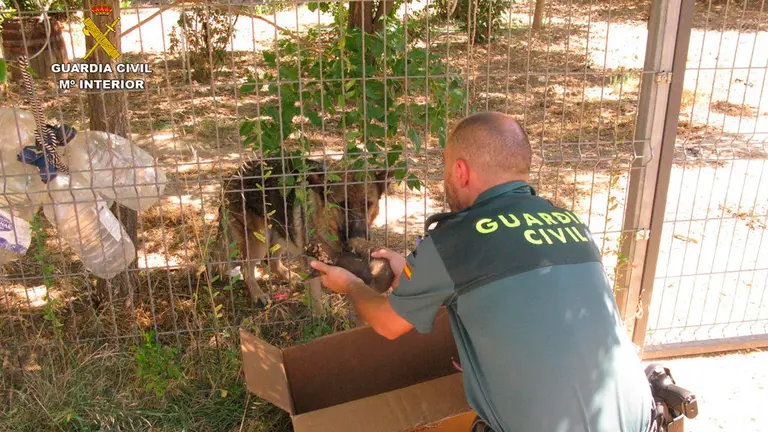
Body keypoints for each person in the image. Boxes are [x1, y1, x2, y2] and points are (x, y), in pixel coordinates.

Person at [310, 111, 655, 432]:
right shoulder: (571, 223)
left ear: (460, 171)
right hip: (641, 419)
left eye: (445, 170)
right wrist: (417, 272)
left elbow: (387, 324)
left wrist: (353, 285)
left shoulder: (453, 240)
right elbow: (498, 292)